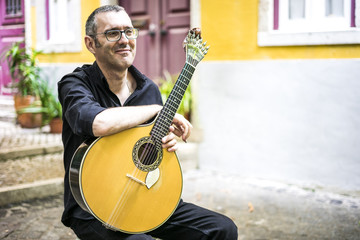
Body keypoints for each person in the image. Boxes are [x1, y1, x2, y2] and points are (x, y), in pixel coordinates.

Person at [58, 5, 238, 240]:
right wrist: (157, 109)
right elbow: (96, 123)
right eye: (113, 33)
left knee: (223, 229)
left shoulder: (148, 89)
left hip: (143, 199)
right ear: (91, 44)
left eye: (129, 31)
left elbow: (148, 147)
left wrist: (164, 146)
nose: (124, 40)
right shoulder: (75, 85)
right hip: (93, 208)